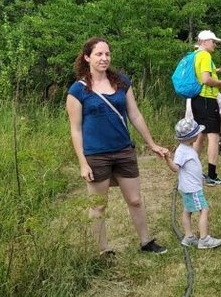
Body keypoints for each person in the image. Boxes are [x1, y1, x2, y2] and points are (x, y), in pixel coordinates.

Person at [65, 37, 168, 255]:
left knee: (135, 199)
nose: (104, 58)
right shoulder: (78, 90)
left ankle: (146, 241)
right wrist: (83, 163)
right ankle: (102, 250)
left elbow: (135, 115)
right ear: (87, 58)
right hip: (96, 155)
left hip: (123, 151)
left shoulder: (121, 82)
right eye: (98, 54)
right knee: (99, 205)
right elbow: (75, 130)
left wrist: (152, 144)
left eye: (107, 54)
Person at [163, 118, 221, 249]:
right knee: (204, 210)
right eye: (197, 133)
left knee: (187, 211)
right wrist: (168, 159)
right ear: (190, 137)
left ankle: (189, 237)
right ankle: (204, 239)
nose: (198, 135)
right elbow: (175, 168)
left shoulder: (186, 148)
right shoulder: (182, 151)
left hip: (189, 187)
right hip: (192, 188)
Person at [192, 30, 221, 185]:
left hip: (197, 99)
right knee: (213, 136)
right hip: (207, 98)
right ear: (205, 41)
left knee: (199, 136)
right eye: (213, 42)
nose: (215, 44)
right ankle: (212, 176)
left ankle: (193, 173)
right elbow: (206, 79)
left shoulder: (195, 55)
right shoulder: (205, 56)